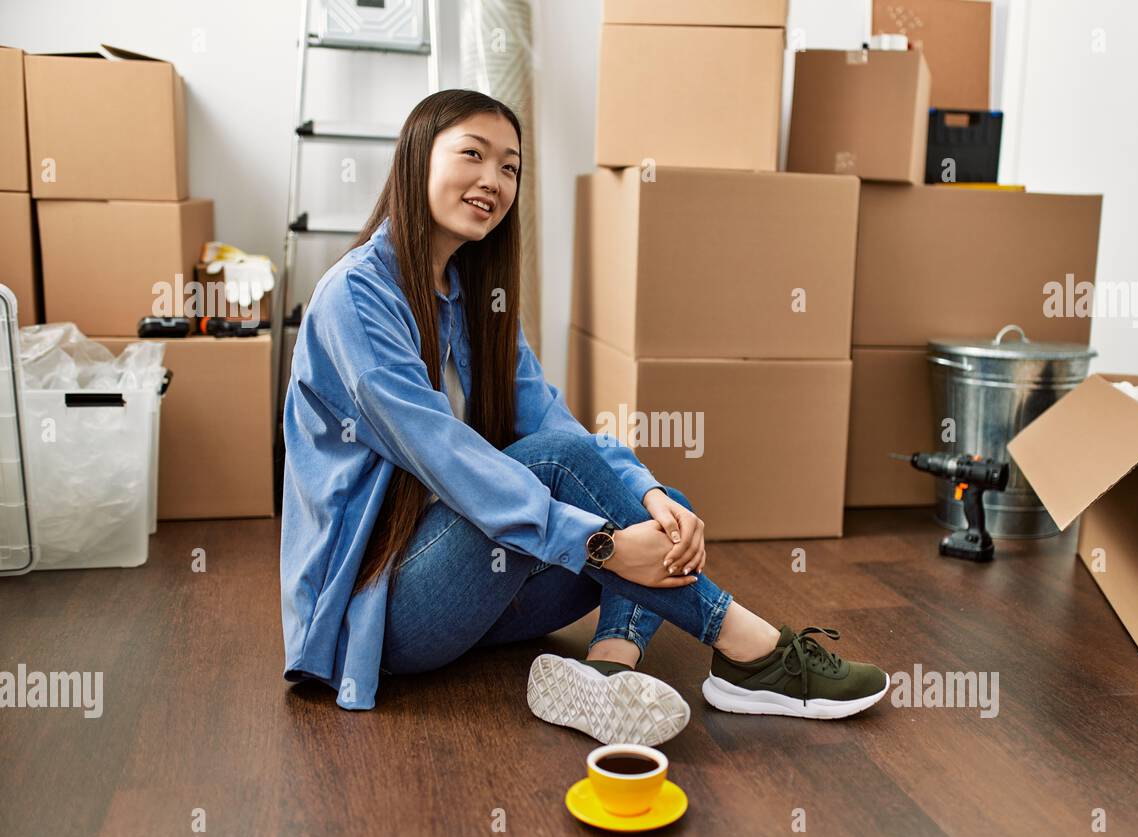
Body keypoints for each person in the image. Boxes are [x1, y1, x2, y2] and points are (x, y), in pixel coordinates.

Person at [279, 89, 889, 742]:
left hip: (468, 593)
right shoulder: (356, 297)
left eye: (510, 167)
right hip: (381, 614)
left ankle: (604, 674)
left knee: (651, 506)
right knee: (580, 488)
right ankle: (754, 652)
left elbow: (555, 420)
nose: (493, 180)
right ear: (415, 159)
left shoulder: (473, 300)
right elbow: (446, 455)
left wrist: (648, 493)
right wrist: (598, 544)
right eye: (473, 155)